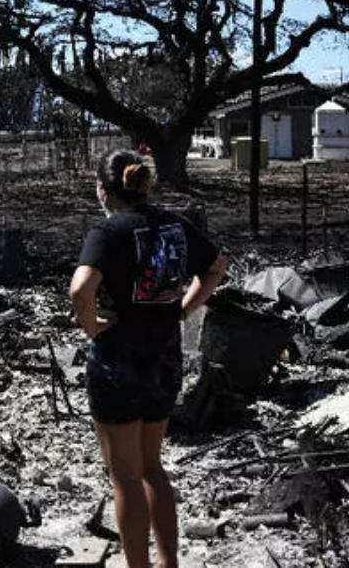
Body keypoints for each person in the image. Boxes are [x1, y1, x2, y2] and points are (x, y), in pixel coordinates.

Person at [69, 149, 228, 568]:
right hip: (164, 359)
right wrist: (183, 310)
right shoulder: (174, 225)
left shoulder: (108, 231)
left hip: (118, 363)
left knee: (124, 476)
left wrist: (90, 326)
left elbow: (80, 289)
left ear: (103, 190)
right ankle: (168, 562)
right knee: (153, 467)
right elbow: (216, 268)